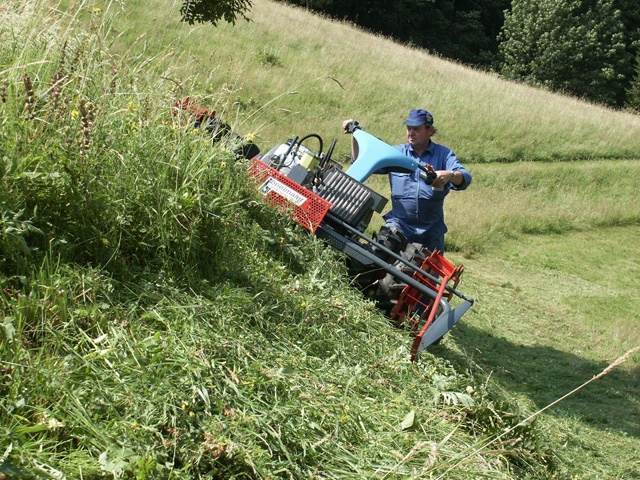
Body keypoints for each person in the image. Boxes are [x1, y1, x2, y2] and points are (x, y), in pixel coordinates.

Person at [342, 109, 472, 253]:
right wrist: (356, 134)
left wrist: (450, 175)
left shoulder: (444, 154)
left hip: (432, 232)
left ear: (430, 130)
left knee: (427, 275)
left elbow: (465, 177)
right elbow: (360, 160)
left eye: (416, 129)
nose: (411, 133)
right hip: (399, 227)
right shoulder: (396, 154)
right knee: (381, 266)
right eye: (408, 128)